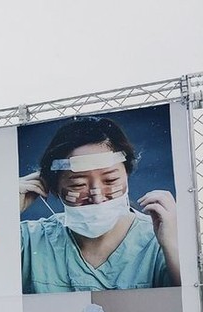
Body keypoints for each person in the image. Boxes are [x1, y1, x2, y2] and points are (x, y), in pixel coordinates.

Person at [19, 115, 180, 293]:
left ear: (127, 175)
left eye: (110, 180)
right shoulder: (29, 240)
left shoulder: (159, 240)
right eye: (78, 185)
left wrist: (174, 246)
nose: (97, 197)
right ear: (53, 187)